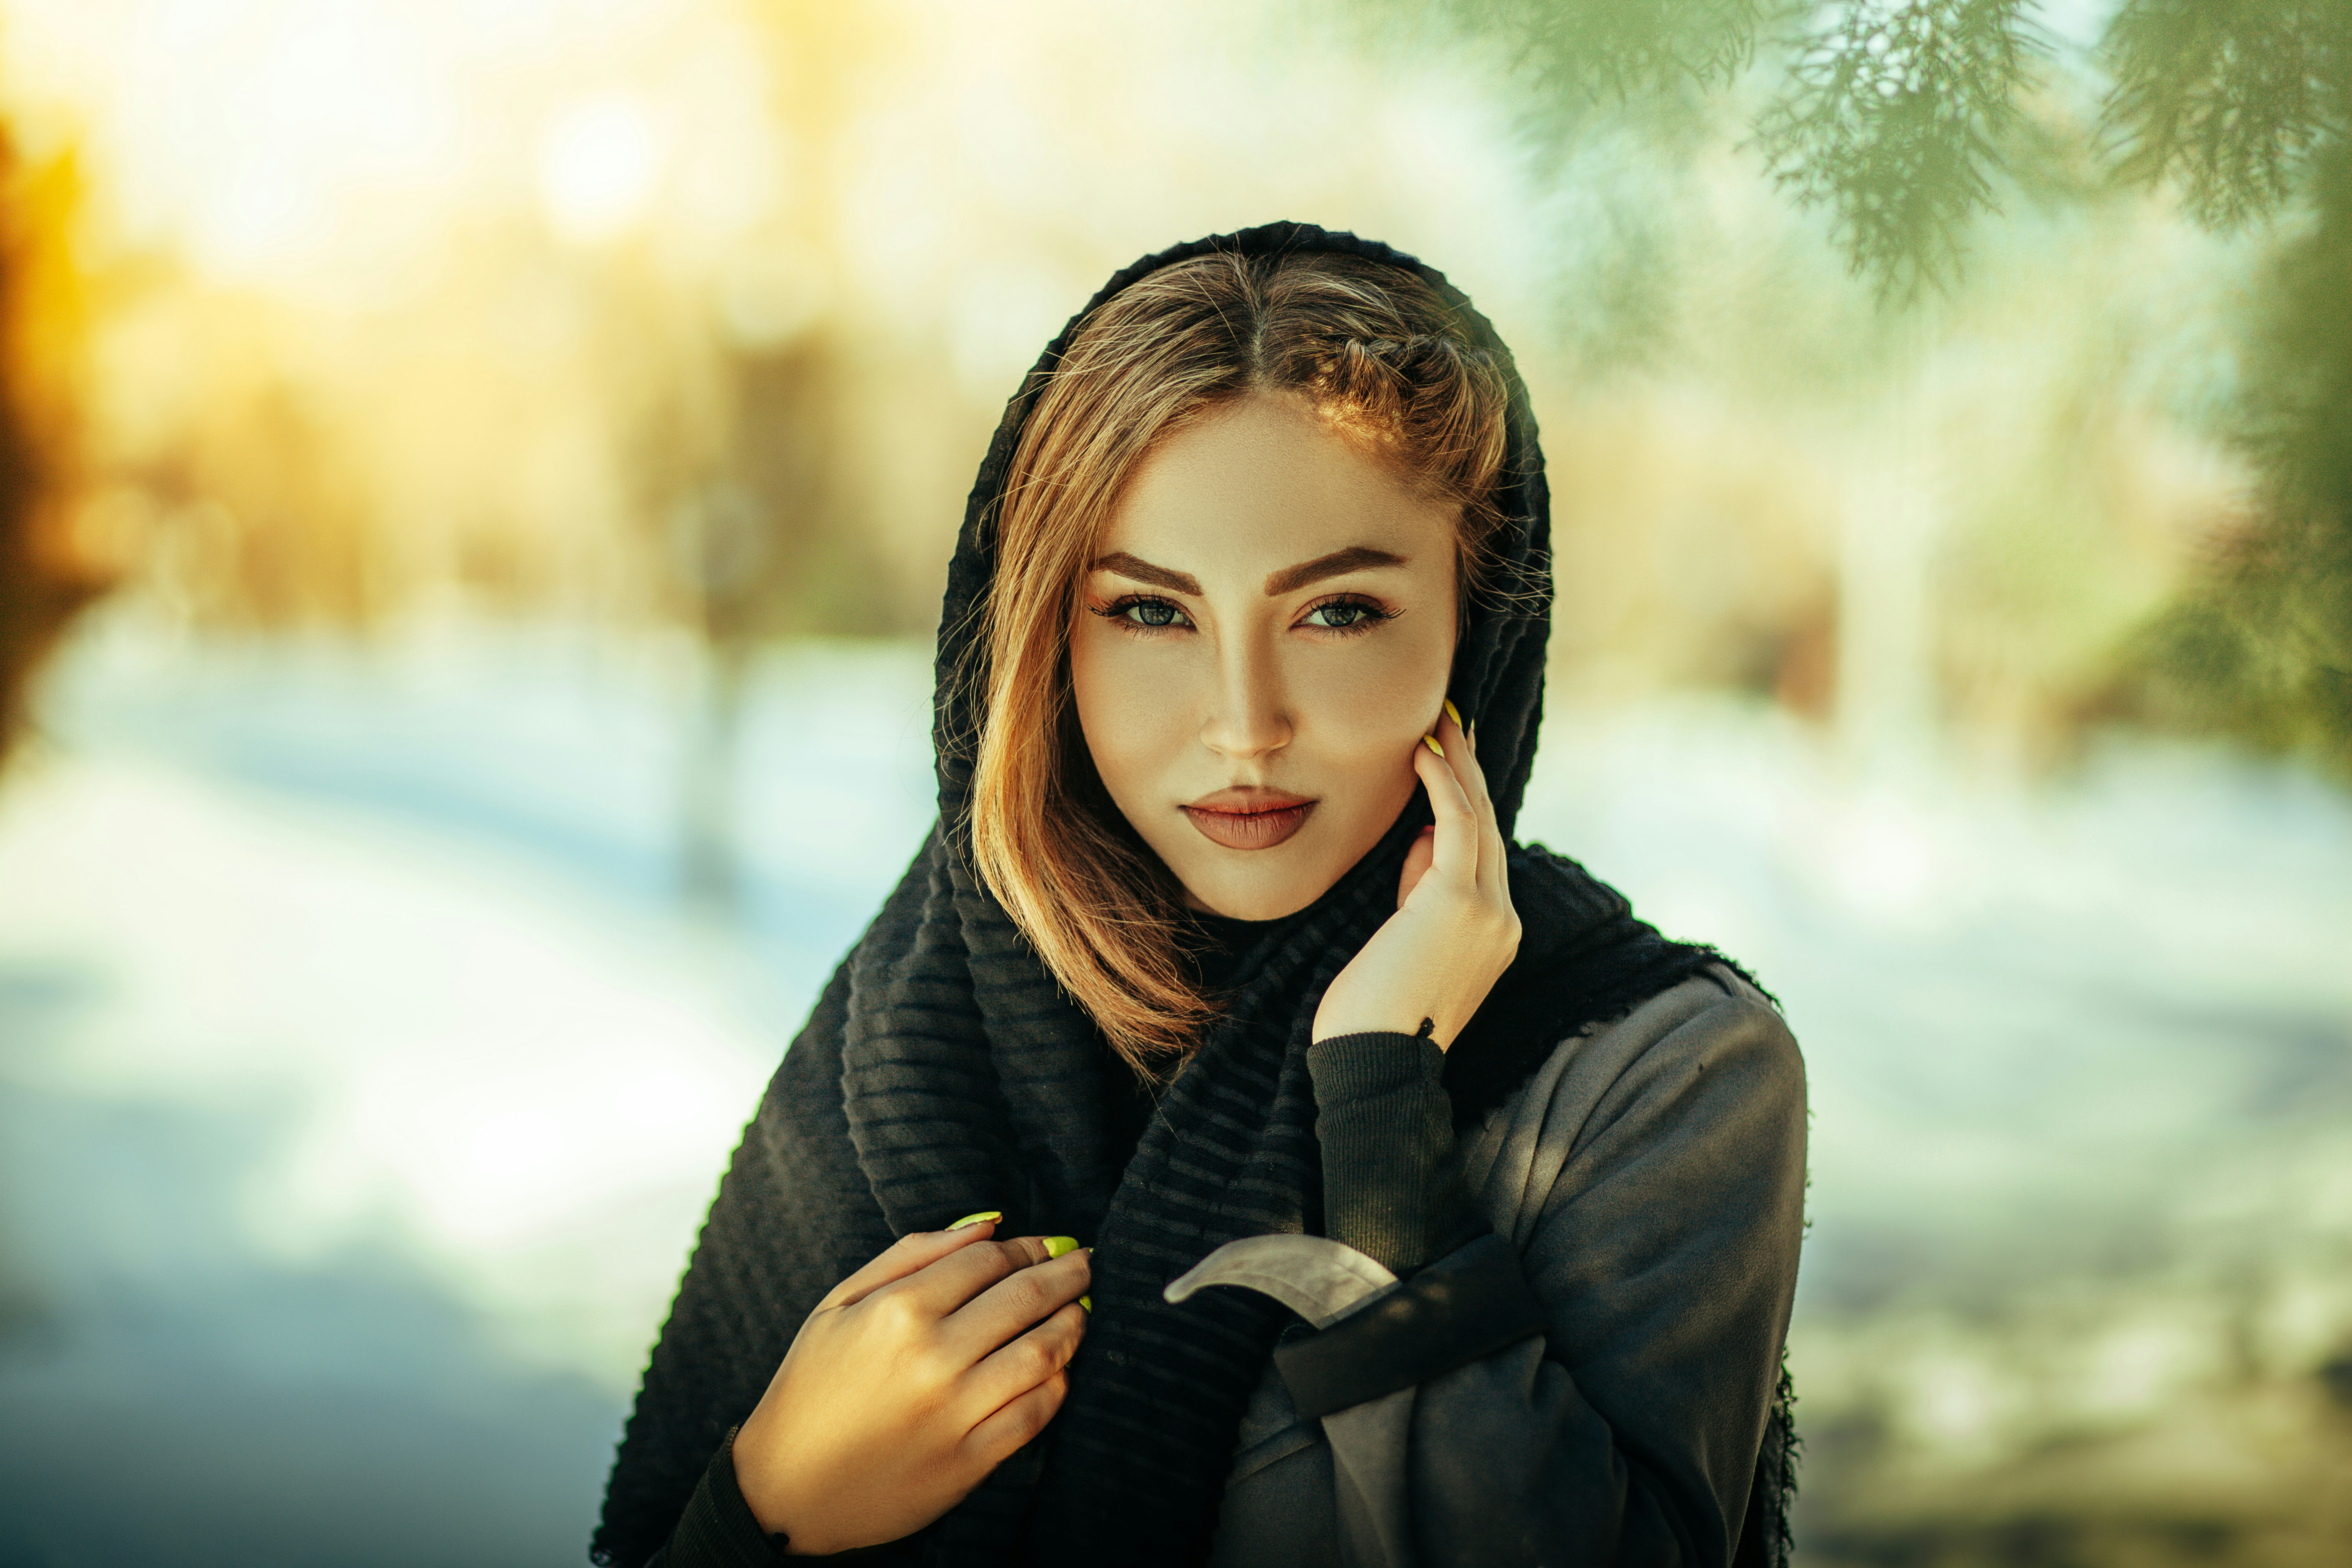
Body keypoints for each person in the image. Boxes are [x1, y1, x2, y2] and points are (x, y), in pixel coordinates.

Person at [592, 223, 1806, 1568]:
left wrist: (1382, 1120)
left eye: (1338, 612)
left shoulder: (1661, 1070)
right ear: (1044, 634)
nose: (1243, 726)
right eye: (1151, 614)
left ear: (1479, 625)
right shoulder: (922, 1012)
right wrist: (761, 1510)